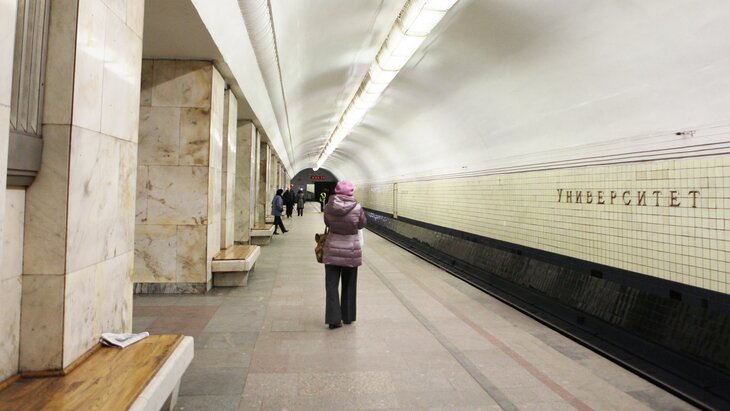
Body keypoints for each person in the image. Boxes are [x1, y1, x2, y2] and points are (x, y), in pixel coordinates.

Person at [322, 180, 367, 329]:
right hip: (351, 251)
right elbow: (361, 224)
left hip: (332, 249)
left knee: (331, 285)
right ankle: (347, 316)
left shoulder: (329, 206)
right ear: (351, 192)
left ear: (336, 191)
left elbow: (327, 222)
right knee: (349, 284)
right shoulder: (358, 208)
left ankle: (334, 319)